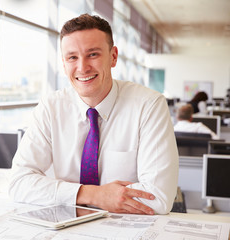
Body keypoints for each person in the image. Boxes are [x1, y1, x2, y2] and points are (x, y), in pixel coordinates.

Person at [9, 14, 178, 215]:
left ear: (113, 57)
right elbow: (18, 183)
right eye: (72, 57)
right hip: (64, 229)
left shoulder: (148, 106)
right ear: (64, 64)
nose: (82, 67)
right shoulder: (51, 107)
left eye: (93, 54)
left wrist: (60, 194)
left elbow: (158, 198)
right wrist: (93, 195)